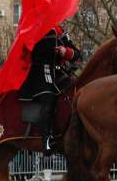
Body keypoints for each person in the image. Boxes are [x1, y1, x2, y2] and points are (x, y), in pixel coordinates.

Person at [18, 25, 81, 155]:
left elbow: (76, 54)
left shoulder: (59, 29)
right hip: (39, 71)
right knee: (49, 98)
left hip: (60, 73)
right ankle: (46, 139)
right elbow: (26, 51)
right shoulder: (33, 26)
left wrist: (66, 51)